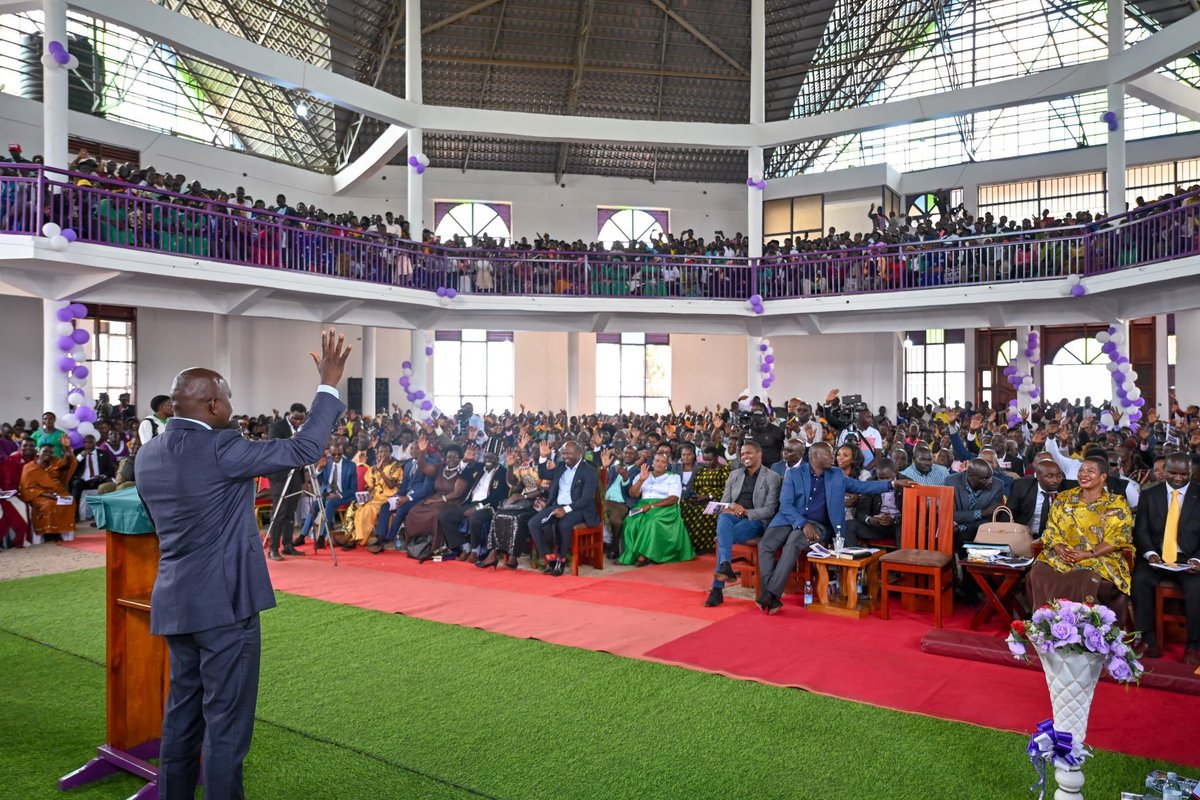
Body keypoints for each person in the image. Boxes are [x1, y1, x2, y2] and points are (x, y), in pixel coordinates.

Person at [134, 327, 349, 800]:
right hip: (225, 608)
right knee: (226, 728)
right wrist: (328, 386)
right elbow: (302, 451)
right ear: (213, 405)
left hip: (176, 600)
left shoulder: (146, 455)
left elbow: (155, 521)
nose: (232, 408)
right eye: (228, 400)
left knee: (182, 718)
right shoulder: (221, 447)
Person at [757, 442, 910, 614]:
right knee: (765, 545)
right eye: (829, 454)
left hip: (817, 524)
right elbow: (786, 505)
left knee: (793, 543)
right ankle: (769, 594)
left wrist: (892, 485)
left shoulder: (836, 474)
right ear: (815, 456)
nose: (834, 457)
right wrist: (802, 523)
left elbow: (863, 487)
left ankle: (770, 595)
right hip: (788, 519)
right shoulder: (793, 474)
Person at [1026, 453, 1133, 623]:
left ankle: (1086, 631)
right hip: (1062, 555)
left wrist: (1088, 554)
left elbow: (1118, 537)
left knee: (1084, 578)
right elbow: (1051, 530)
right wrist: (1058, 547)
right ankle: (1047, 627)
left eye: (1090, 471)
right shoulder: (1064, 498)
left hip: (1098, 557)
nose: (1083, 474)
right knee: (1039, 571)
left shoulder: (1116, 504)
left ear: (1103, 477)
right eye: (1081, 470)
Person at [1131, 452, 1200, 664]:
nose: (1178, 478)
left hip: (1190, 559)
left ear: (1191, 472)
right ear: (1164, 470)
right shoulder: (1150, 494)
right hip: (1157, 557)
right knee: (1140, 581)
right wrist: (1151, 554)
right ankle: (1149, 639)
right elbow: (1140, 530)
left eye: (1183, 474)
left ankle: (1193, 645)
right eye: (1172, 473)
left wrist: (1198, 560)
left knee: (1197, 588)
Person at [706, 442, 782, 607]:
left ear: (759, 454)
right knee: (723, 518)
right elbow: (725, 502)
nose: (744, 456)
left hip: (755, 520)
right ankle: (726, 565)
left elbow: (769, 510)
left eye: (749, 453)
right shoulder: (734, 475)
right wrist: (733, 506)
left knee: (722, 538)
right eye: (742, 453)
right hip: (733, 515)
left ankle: (717, 589)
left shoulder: (772, 477)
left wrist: (747, 512)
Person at [528, 441, 599, 576]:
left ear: (579, 453)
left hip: (579, 509)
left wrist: (565, 510)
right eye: (564, 453)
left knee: (563, 524)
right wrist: (543, 457)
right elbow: (543, 473)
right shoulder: (561, 466)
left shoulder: (589, 471)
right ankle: (550, 557)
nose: (565, 456)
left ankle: (561, 559)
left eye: (569, 453)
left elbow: (586, 499)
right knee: (533, 524)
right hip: (557, 505)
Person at [620, 451, 694, 567]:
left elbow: (674, 499)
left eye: (663, 462)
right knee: (630, 521)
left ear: (667, 464)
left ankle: (643, 555)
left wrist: (652, 506)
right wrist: (641, 480)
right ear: (652, 462)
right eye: (657, 461)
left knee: (651, 522)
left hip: (665, 507)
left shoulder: (673, 477)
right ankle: (631, 554)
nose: (659, 464)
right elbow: (633, 494)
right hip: (643, 505)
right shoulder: (643, 474)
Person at [439, 447, 507, 561]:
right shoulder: (479, 467)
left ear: (498, 458)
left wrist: (477, 507)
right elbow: (462, 474)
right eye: (486, 456)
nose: (488, 459)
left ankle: (476, 551)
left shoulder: (502, 472)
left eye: (492, 457)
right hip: (471, 502)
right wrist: (465, 460)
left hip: (489, 506)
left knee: (475, 518)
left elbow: (497, 496)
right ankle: (466, 546)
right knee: (444, 516)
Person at [402, 443, 468, 557]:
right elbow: (422, 467)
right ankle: (415, 544)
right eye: (449, 457)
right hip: (436, 498)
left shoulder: (462, 471)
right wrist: (422, 452)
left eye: (455, 457)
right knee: (414, 511)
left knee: (435, 513)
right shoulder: (440, 467)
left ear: (460, 458)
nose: (451, 460)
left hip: (452, 501)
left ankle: (435, 546)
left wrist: (436, 501)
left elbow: (457, 493)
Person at [265, 403, 310, 559]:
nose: (298, 422)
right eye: (295, 418)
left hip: (296, 474)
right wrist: (293, 439)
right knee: (279, 512)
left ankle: (288, 545)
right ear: (290, 414)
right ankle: (273, 548)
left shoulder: (303, 429)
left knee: (291, 512)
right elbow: (275, 447)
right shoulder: (276, 426)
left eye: (301, 419)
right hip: (280, 475)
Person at [343, 443, 402, 551]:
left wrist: (381, 472)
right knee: (355, 506)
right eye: (380, 452)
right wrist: (366, 492)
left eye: (385, 452)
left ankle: (359, 539)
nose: (382, 454)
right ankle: (350, 535)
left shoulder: (396, 467)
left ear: (390, 453)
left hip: (387, 498)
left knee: (368, 509)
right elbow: (370, 485)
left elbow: (391, 485)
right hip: (374, 497)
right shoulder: (373, 468)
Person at [297, 443, 356, 549]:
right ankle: (302, 536)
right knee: (315, 506)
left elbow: (353, 489)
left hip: (342, 496)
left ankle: (321, 537)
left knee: (330, 503)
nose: (337, 457)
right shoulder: (326, 462)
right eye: (334, 454)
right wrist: (319, 468)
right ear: (330, 453)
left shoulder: (350, 465)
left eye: (339, 454)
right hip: (326, 494)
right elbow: (315, 478)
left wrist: (337, 494)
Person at [19, 443, 77, 539]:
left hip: (57, 491)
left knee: (68, 502)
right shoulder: (29, 467)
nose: (48, 454)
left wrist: (67, 448)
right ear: (38, 452)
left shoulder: (55, 463)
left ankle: (62, 532)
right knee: (49, 504)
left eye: (51, 452)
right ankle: (49, 534)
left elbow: (70, 464)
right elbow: (27, 488)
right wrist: (48, 495)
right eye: (45, 451)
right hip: (38, 494)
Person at [945, 459, 1006, 546]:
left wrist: (961, 528)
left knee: (965, 536)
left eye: (991, 477)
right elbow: (951, 515)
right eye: (984, 478)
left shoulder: (998, 485)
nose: (990, 481)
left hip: (983, 530)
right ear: (970, 475)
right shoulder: (951, 481)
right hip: (954, 531)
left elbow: (991, 519)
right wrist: (982, 513)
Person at [1009, 460, 1076, 535]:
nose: (1055, 480)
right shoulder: (1022, 487)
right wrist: (1019, 529)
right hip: (1026, 535)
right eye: (1050, 476)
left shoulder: (1070, 488)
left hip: (1057, 537)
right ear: (1037, 476)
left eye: (1059, 475)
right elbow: (1008, 514)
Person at [69, 434, 114, 516]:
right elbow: (71, 467)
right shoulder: (77, 452)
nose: (88, 445)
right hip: (83, 480)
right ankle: (75, 515)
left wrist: (102, 476)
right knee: (76, 484)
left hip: (99, 479)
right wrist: (80, 456)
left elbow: (110, 470)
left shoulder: (103, 454)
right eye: (86, 442)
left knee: (108, 482)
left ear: (95, 443)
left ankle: (108, 513)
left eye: (91, 442)